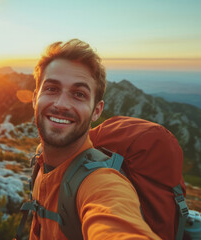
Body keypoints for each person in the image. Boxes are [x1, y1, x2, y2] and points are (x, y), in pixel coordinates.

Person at [29, 39, 161, 240]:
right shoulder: (41, 159)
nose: (61, 104)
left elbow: (116, 218)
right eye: (51, 89)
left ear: (96, 111)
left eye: (79, 94)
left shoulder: (101, 183)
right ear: (34, 99)